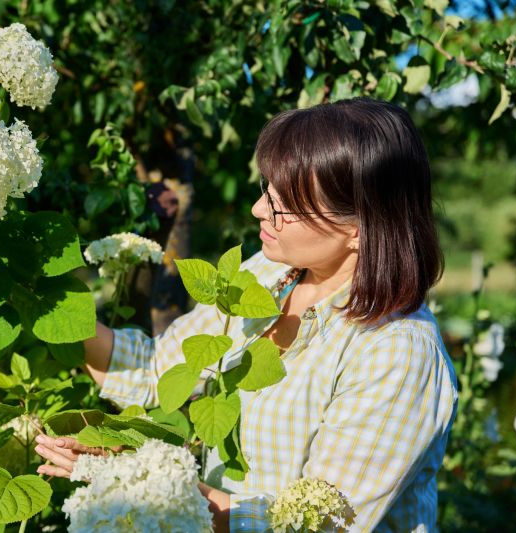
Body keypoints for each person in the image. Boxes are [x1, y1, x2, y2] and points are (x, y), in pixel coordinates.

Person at [34, 97, 458, 532]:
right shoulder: (270, 272)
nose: (259, 211)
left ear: (358, 228)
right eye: (266, 190)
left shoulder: (397, 351)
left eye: (285, 204)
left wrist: (140, 482)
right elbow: (159, 373)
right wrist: (46, 302)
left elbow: (315, 525)